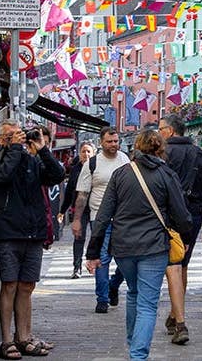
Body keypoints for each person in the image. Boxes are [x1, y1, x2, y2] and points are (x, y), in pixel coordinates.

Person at [86, 128, 192, 361]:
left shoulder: (121, 173)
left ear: (137, 147)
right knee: (147, 303)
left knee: (133, 293)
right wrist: (184, 237)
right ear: (160, 148)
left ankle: (133, 344)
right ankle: (138, 354)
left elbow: (103, 215)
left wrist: (93, 251)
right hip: (153, 246)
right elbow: (181, 214)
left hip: (123, 246)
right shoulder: (166, 174)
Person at [0, 121, 66, 360]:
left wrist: (42, 149)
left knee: (27, 286)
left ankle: (24, 337)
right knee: (9, 285)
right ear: (2, 140)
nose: (19, 139)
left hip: (33, 232)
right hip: (9, 232)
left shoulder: (33, 161)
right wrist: (14, 150)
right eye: (12, 136)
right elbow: (2, 177)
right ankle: (7, 340)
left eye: (19, 134)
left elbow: (58, 175)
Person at [161, 115, 202, 345]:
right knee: (181, 263)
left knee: (172, 265)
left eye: (161, 129)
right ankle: (175, 314)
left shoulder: (163, 154)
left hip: (166, 215)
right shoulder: (199, 154)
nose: (160, 133)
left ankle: (178, 316)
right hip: (191, 215)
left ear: (171, 131)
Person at [73, 127, 131, 313]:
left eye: (116, 141)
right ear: (101, 143)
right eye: (109, 142)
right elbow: (82, 194)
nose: (114, 145)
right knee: (102, 259)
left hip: (123, 217)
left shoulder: (125, 159)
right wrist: (76, 220)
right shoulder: (92, 164)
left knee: (126, 259)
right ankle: (102, 299)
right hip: (99, 217)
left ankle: (114, 285)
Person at [61, 141, 95, 279]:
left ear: (93, 154)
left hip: (95, 208)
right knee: (79, 238)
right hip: (80, 209)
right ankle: (77, 267)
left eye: (88, 151)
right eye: (83, 151)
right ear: (79, 153)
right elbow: (69, 191)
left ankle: (95, 265)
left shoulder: (97, 168)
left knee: (97, 238)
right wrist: (62, 210)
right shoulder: (76, 169)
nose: (86, 154)